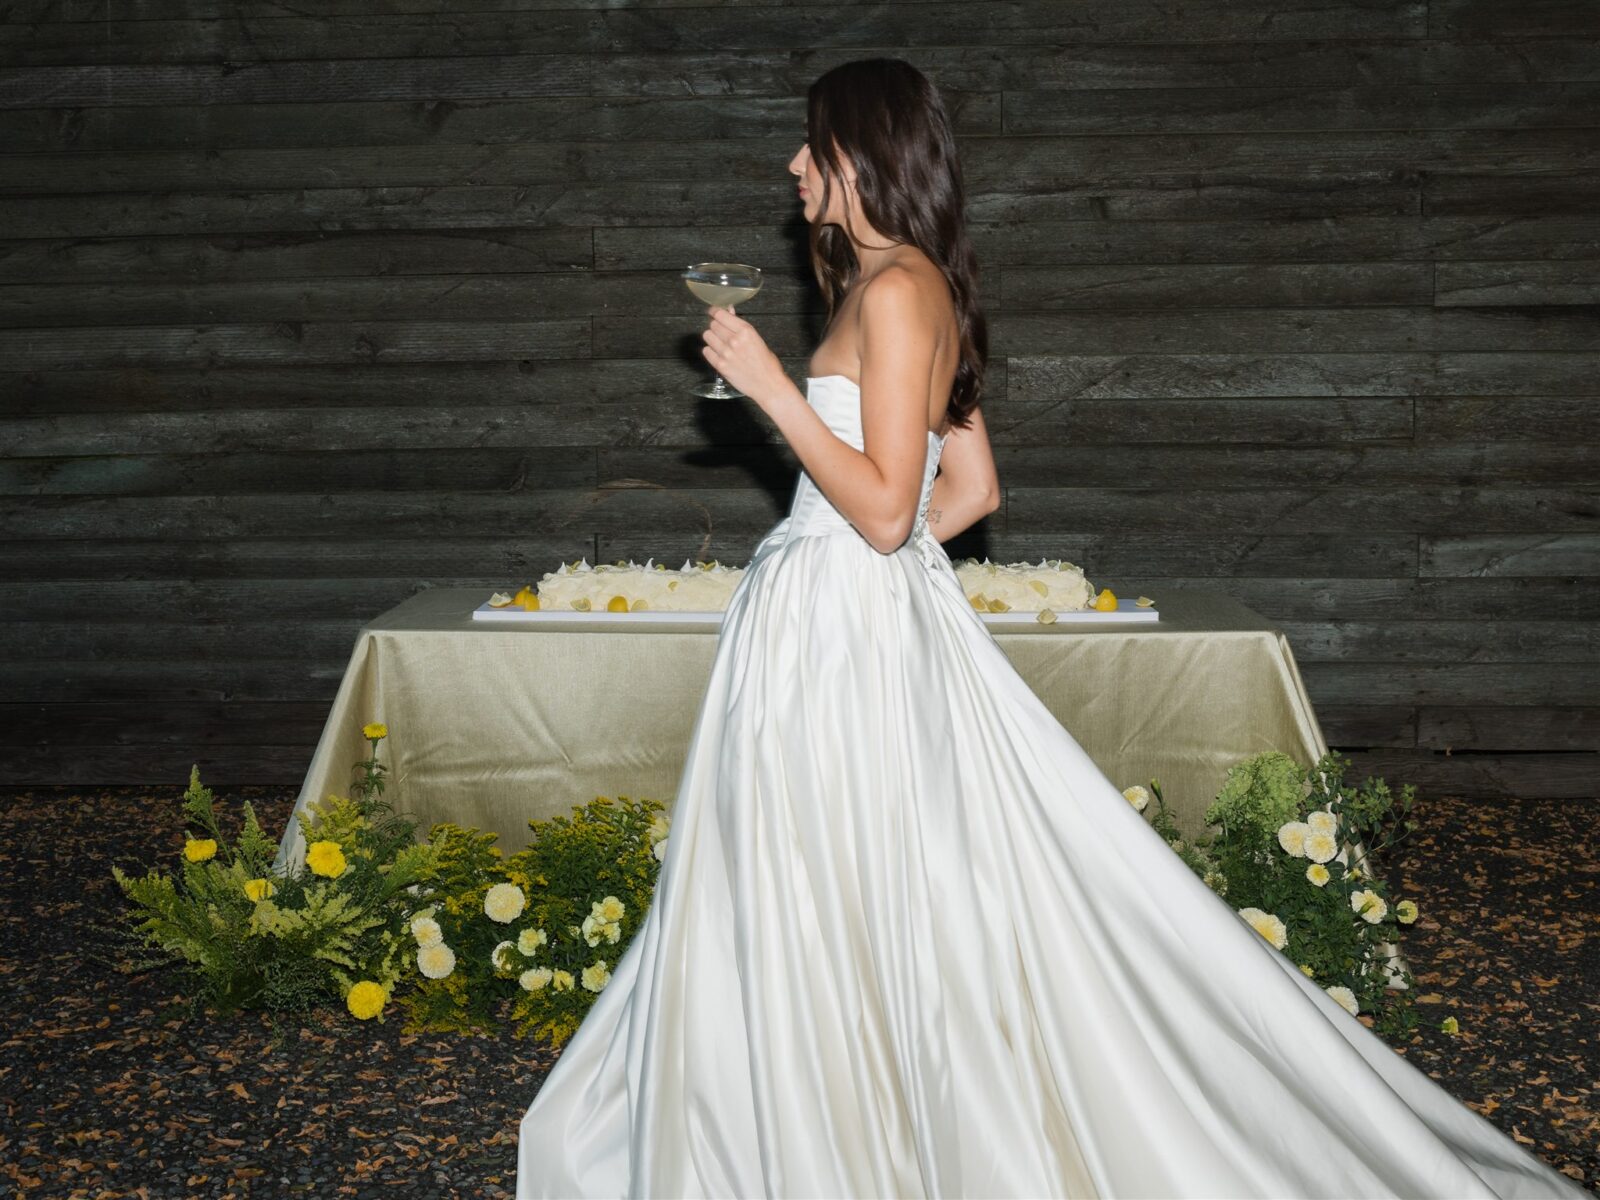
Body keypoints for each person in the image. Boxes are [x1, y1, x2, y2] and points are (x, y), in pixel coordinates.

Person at [515, 58, 1586, 1198]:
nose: (792, 165)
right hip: (852, 616)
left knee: (820, 876)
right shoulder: (910, 281)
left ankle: (828, 1134)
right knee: (855, 876)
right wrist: (860, 559)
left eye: (810, 146)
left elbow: (885, 512)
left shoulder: (892, 292)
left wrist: (778, 402)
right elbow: (970, 488)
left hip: (840, 631)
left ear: (860, 155)